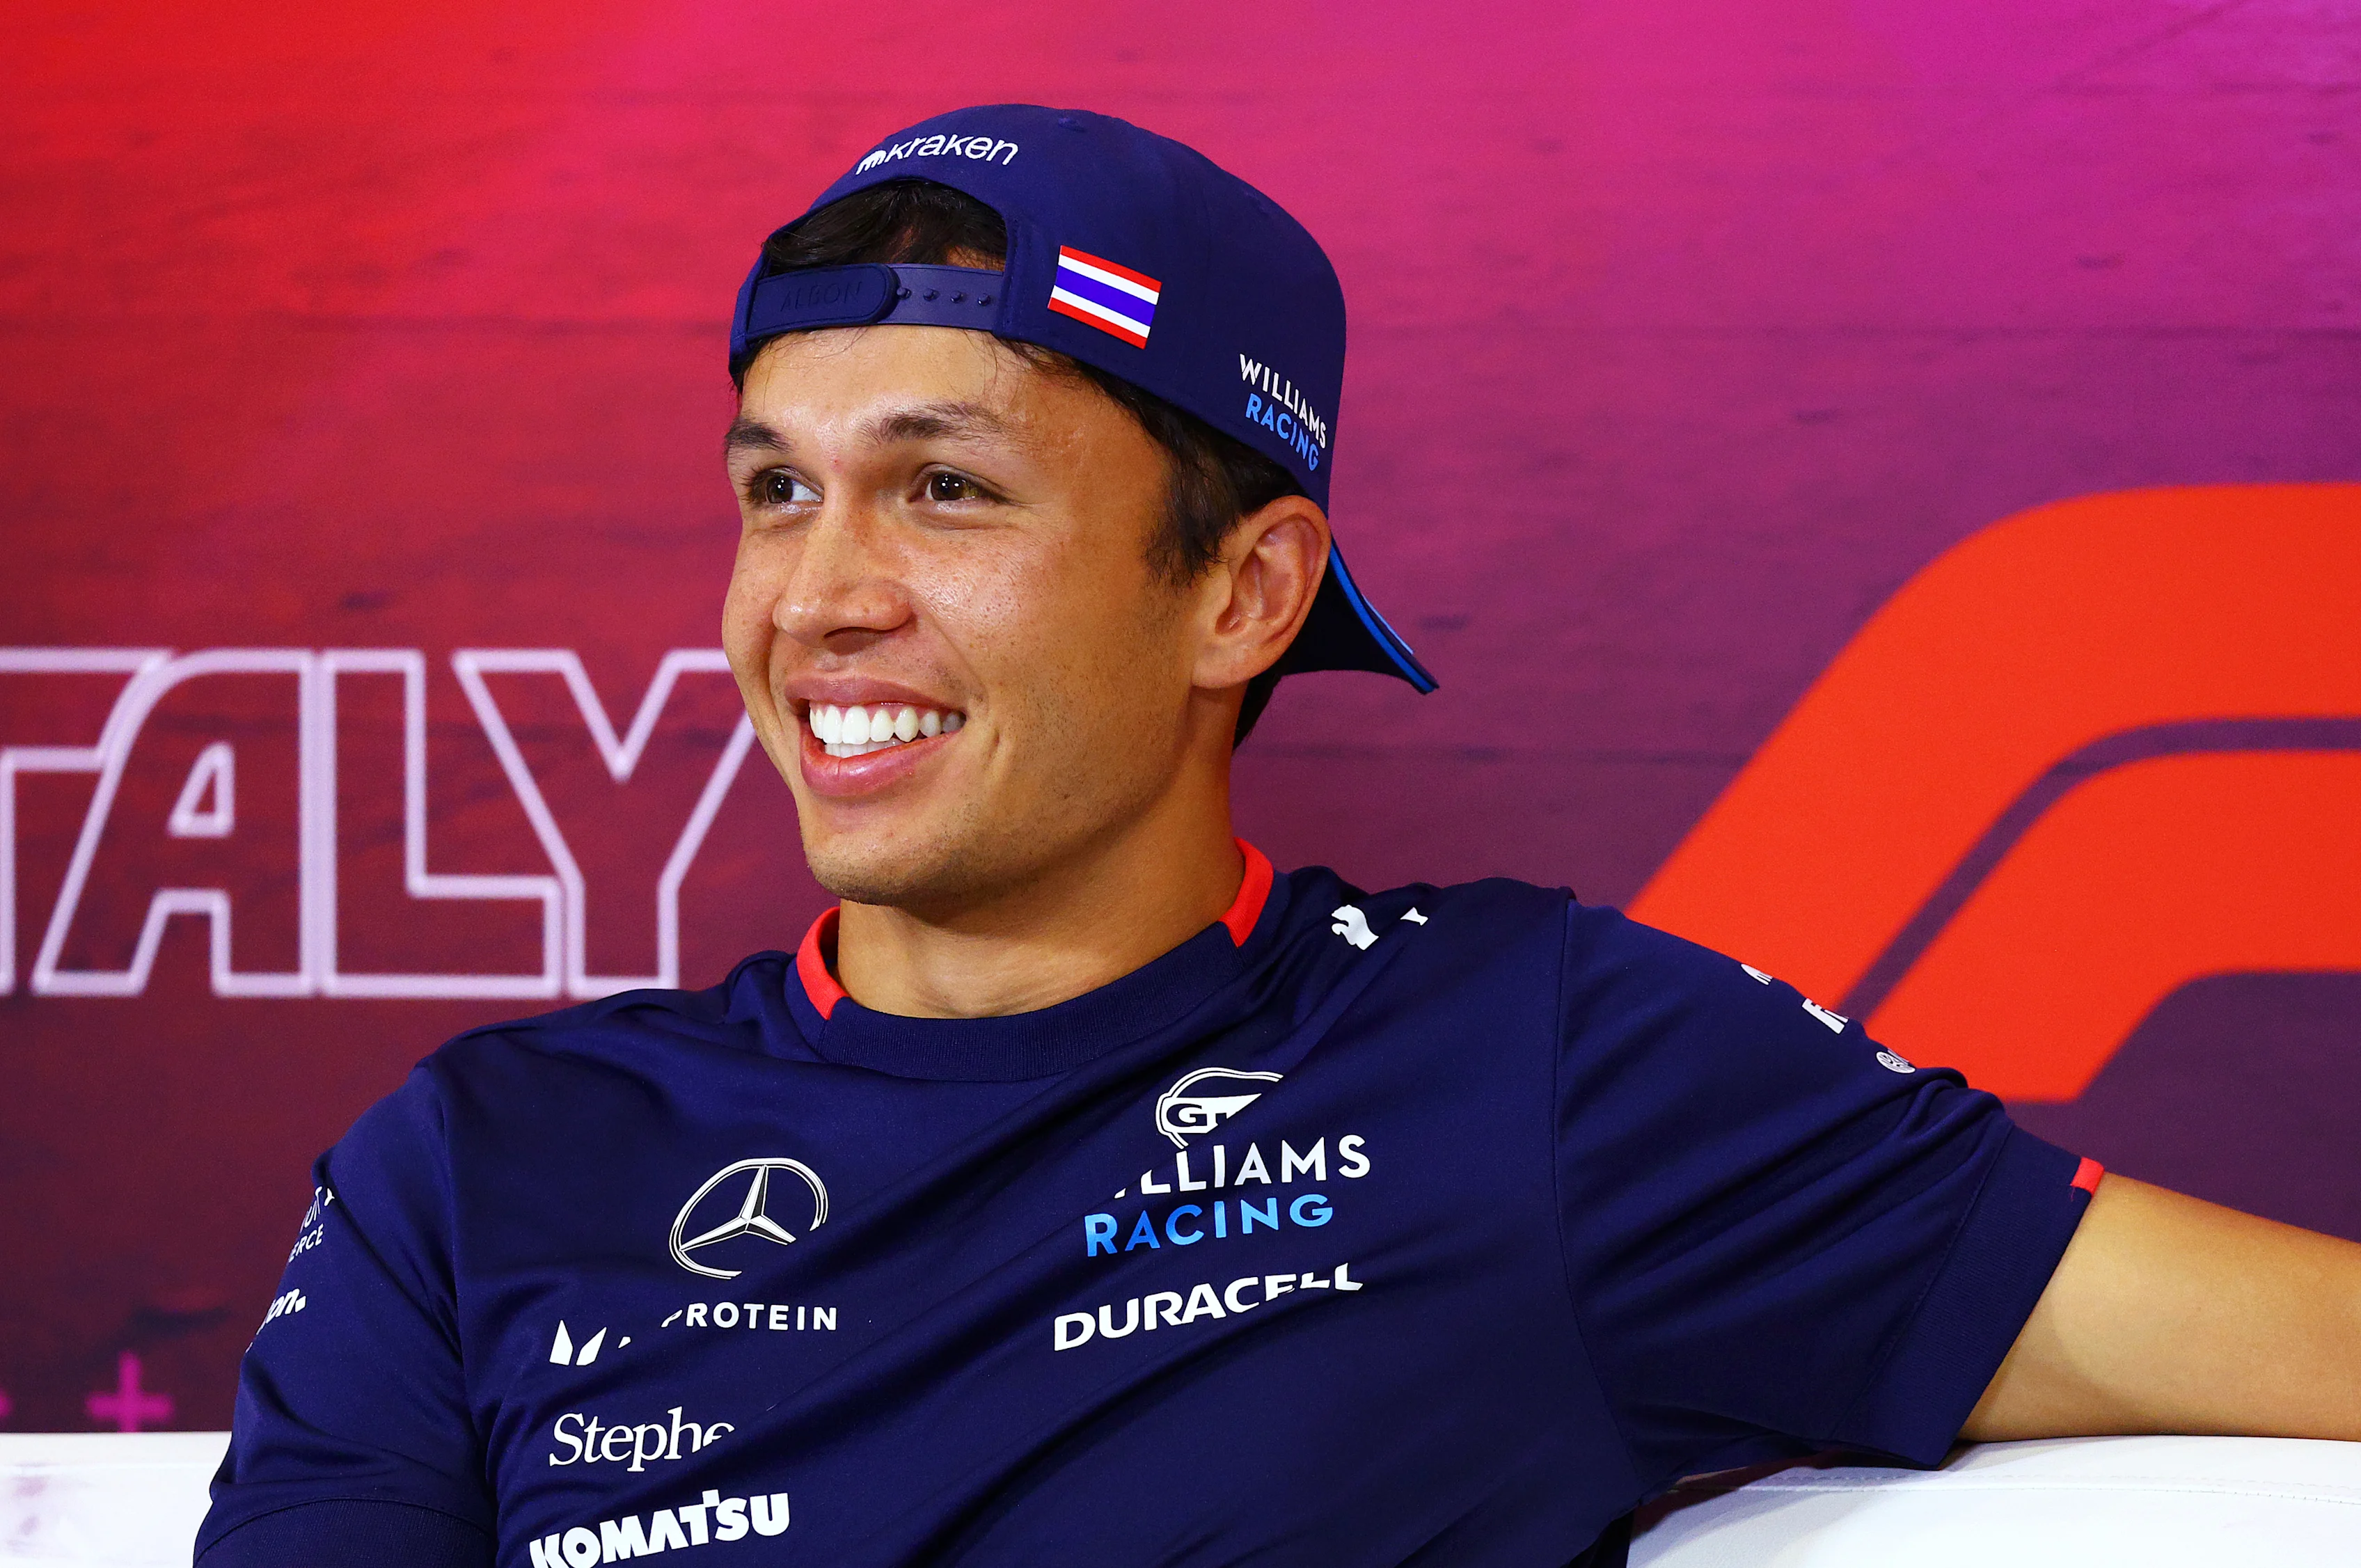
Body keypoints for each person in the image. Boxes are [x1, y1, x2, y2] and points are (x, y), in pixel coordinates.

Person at [196, 104, 2361, 1568]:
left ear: (1242, 592)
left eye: (944, 490)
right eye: (778, 490)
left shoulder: (1540, 1062)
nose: (820, 597)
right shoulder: (477, 1161)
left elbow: (2295, 1342)